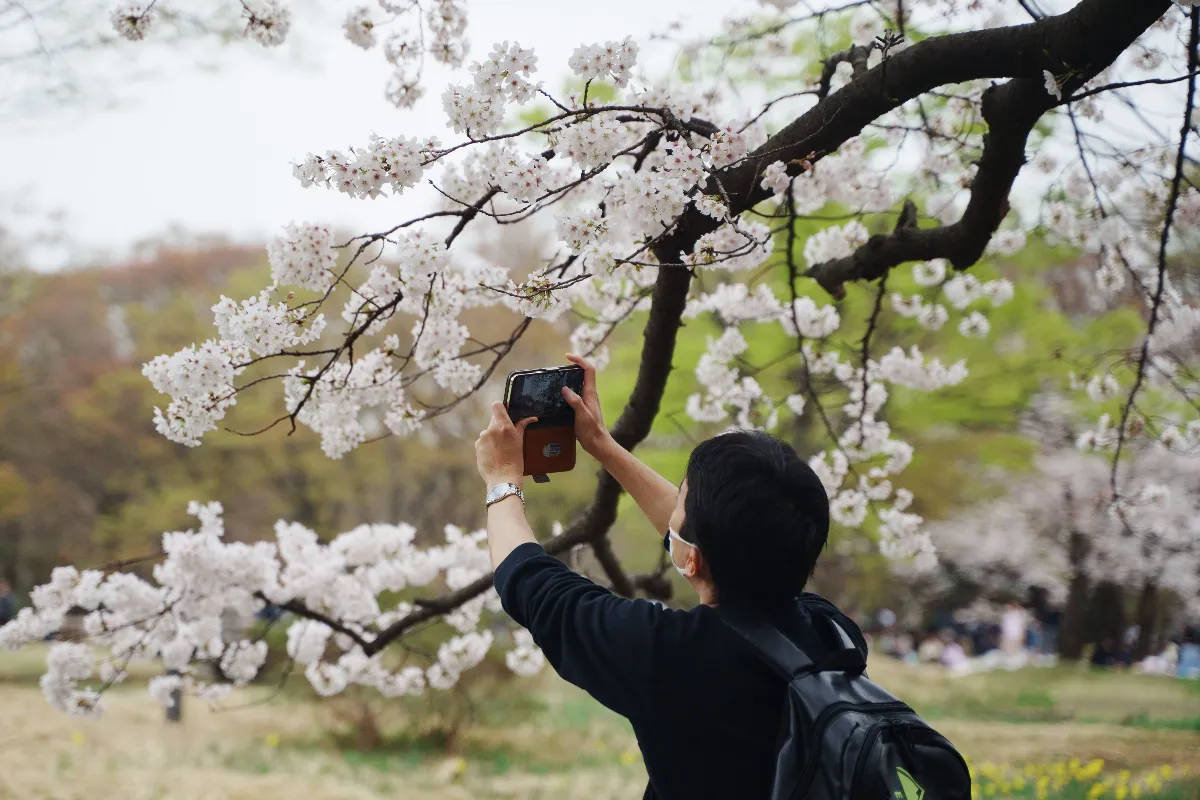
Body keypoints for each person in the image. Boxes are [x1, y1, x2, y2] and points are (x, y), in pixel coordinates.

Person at [474, 354, 867, 800]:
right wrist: (602, 444)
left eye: (681, 500)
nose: (672, 515)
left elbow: (529, 584)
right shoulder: (835, 634)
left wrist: (502, 479)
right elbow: (703, 542)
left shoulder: (669, 656)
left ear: (695, 560)